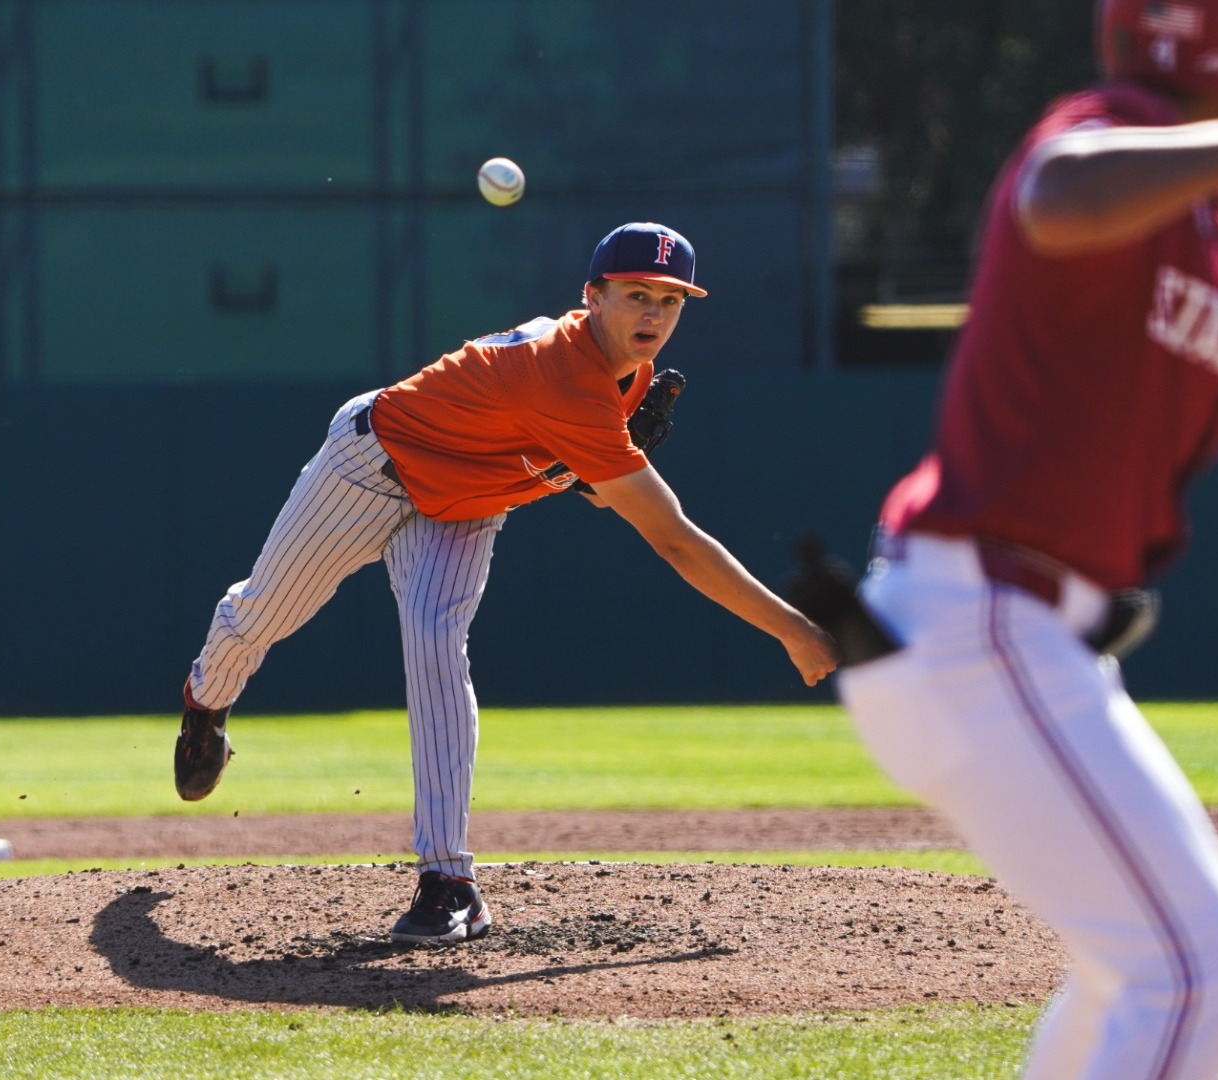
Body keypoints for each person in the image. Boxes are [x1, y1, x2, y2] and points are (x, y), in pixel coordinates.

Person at [819, 1, 1218, 1077]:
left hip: (1027, 637)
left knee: (1143, 970)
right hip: (979, 614)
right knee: (1198, 965)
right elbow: (1057, 193)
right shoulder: (1108, 124)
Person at [173, 222, 838, 944]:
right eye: (636, 295)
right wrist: (794, 628)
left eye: (671, 301)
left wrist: (587, 469)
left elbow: (564, 468)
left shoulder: (626, 378)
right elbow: (675, 541)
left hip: (466, 507)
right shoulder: (565, 375)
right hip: (372, 465)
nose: (653, 314)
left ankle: (447, 879)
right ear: (592, 296)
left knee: (435, 646)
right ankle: (205, 704)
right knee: (261, 616)